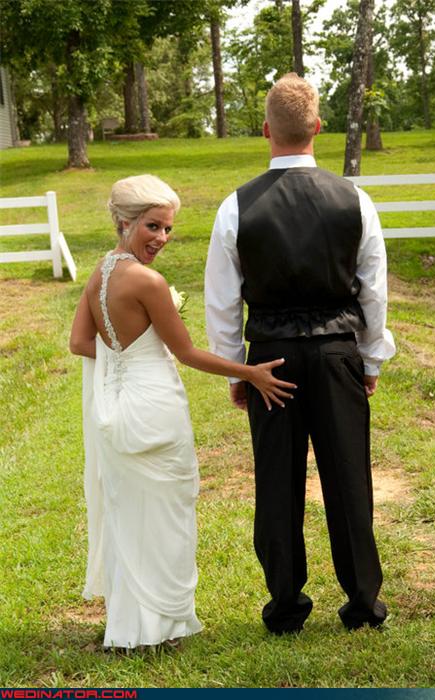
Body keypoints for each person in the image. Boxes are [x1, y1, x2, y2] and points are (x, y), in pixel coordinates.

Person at [69, 174, 296, 650]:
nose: (162, 238)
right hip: (154, 404)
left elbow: (80, 342)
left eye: (168, 228)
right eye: (153, 226)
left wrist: (123, 359)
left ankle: (131, 628)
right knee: (164, 515)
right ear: (124, 221)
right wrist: (250, 373)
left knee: (132, 515)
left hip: (116, 404)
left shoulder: (101, 271)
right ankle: (157, 627)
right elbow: (188, 353)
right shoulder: (147, 281)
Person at [205, 73, 396, 634]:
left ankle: (286, 607)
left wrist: (237, 370)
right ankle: (363, 604)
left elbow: (222, 301)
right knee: (349, 478)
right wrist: (370, 359)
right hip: (337, 353)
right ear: (318, 127)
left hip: (270, 360)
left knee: (277, 481)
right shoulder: (354, 199)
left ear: (266, 130)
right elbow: (373, 290)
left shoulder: (235, 207)